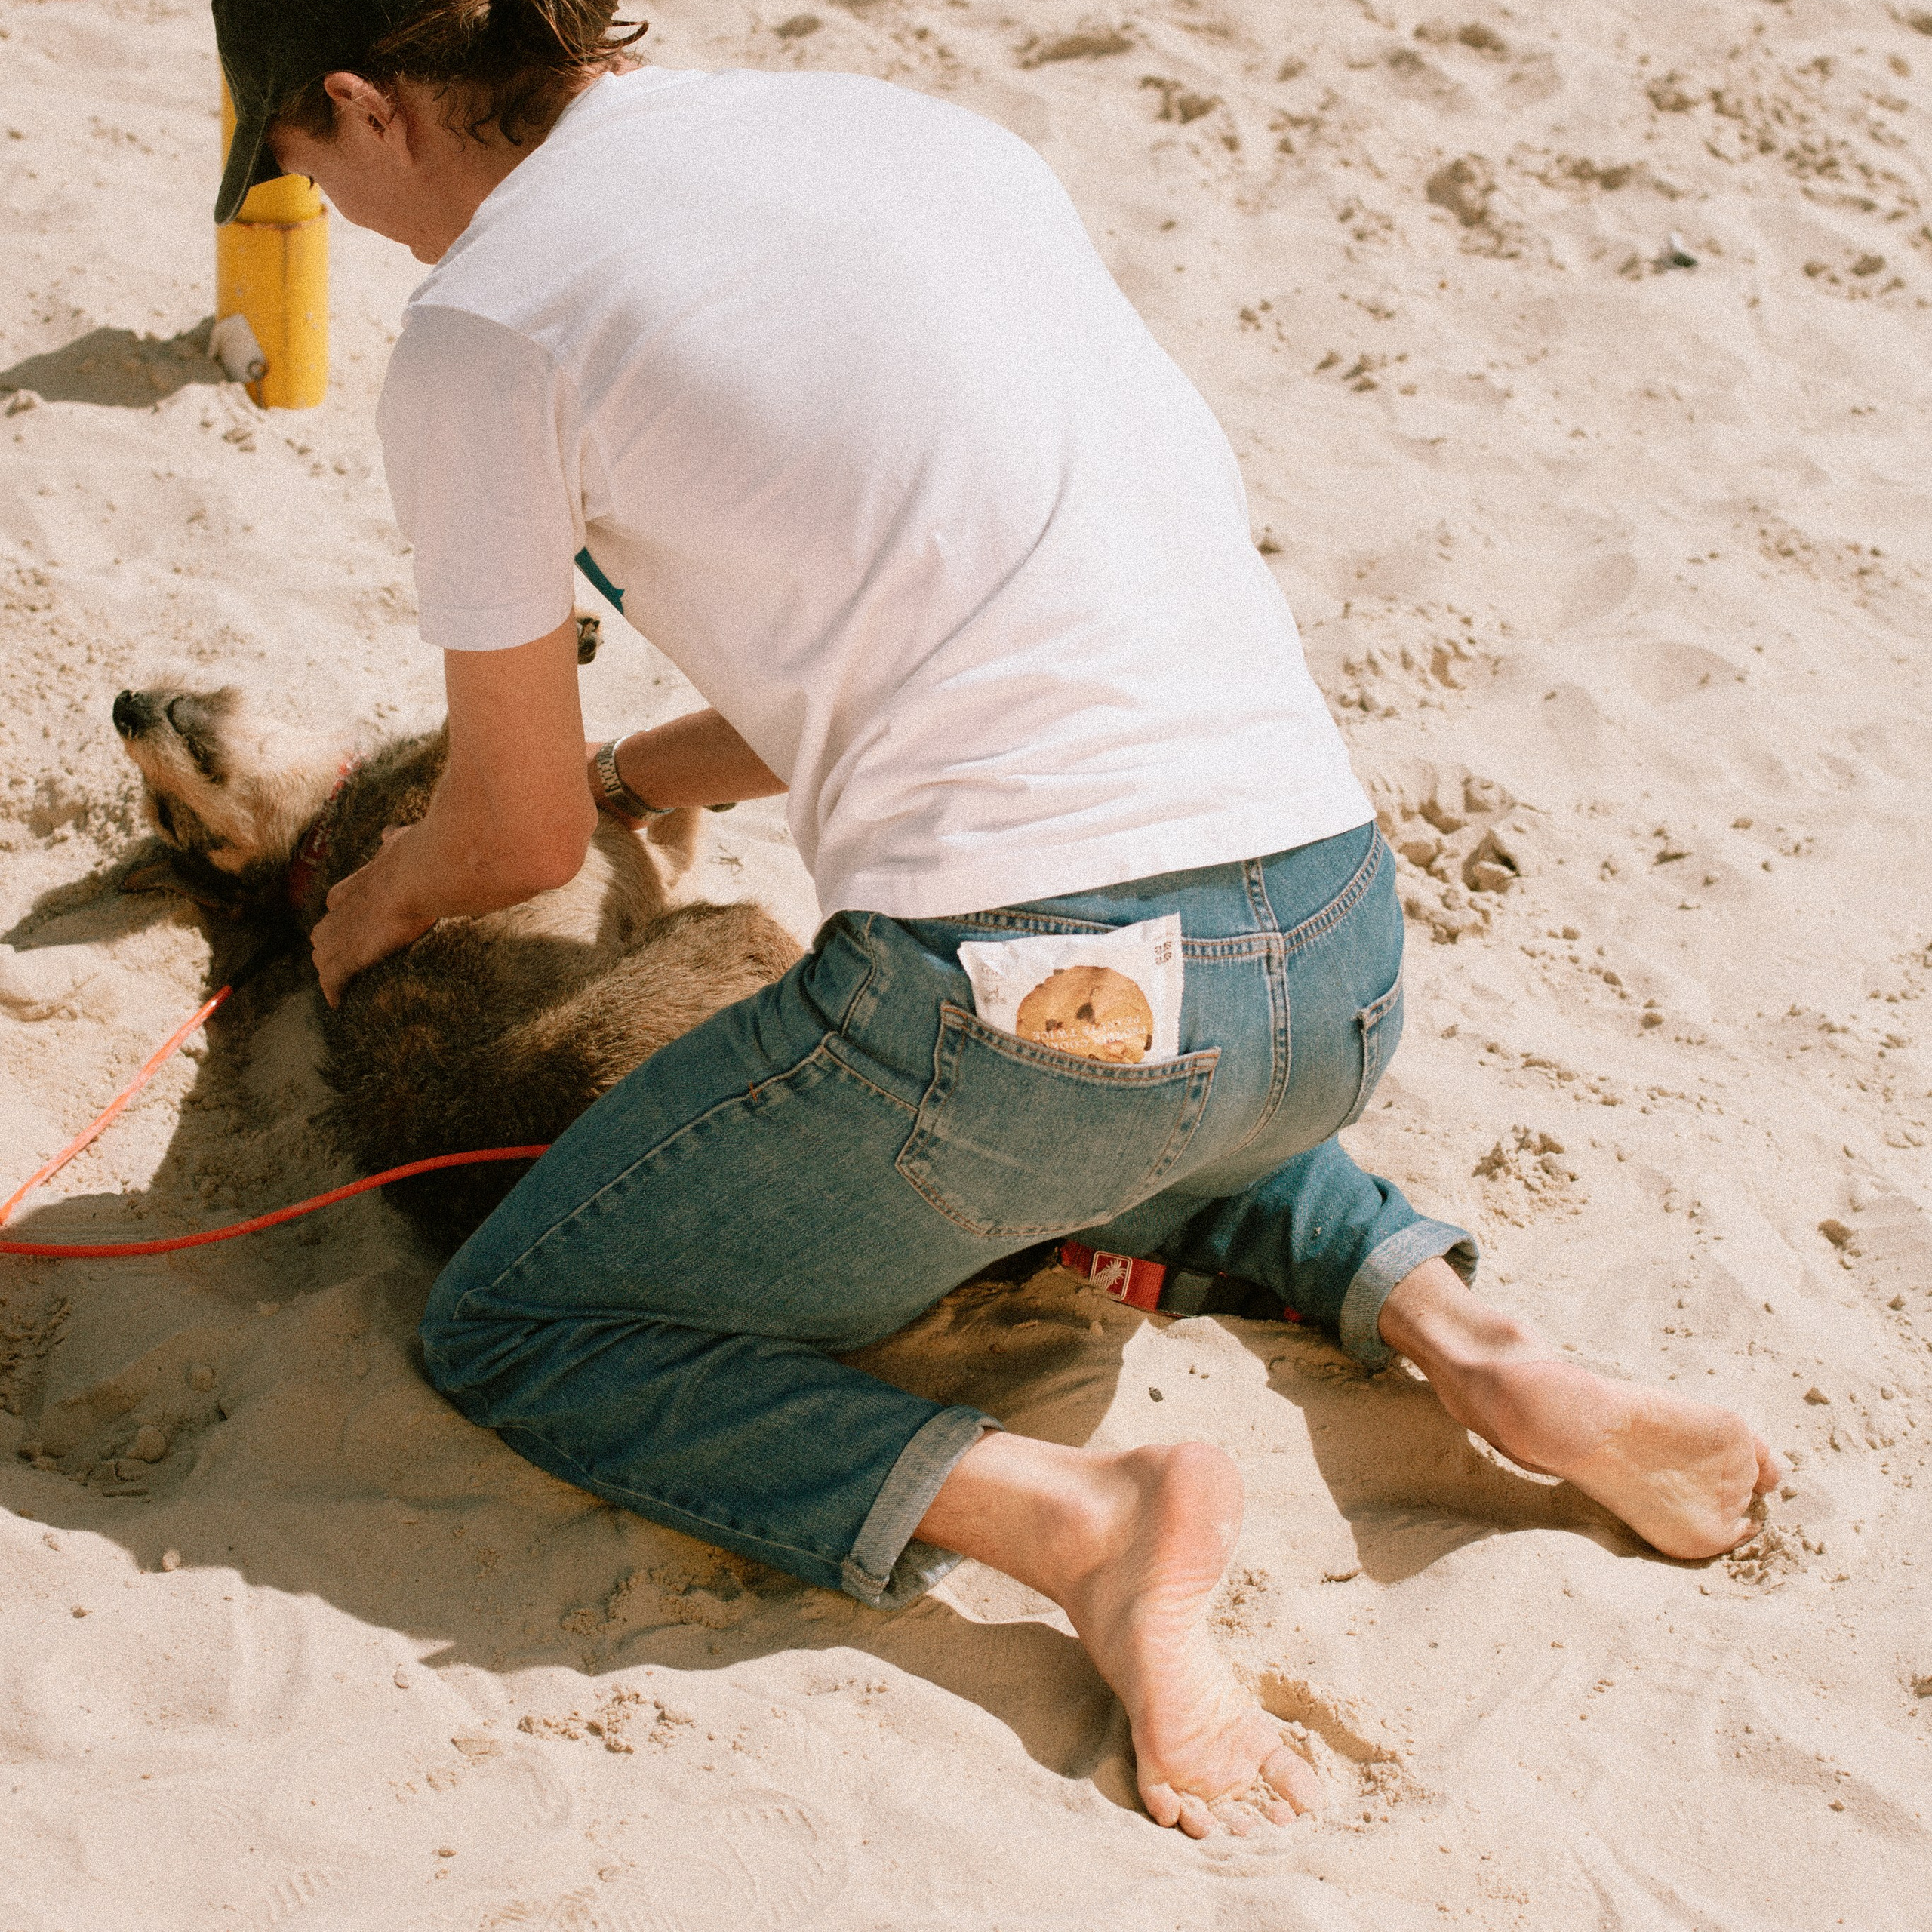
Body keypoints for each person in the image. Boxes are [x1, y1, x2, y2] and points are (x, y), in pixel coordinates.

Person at [215, 0, 1783, 1837]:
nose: (324, 203)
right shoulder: (911, 138)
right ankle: (1471, 1338)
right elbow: (935, 612)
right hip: (1333, 951)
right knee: (1135, 1052)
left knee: (519, 1323)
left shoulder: (485, 324)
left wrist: (375, 897)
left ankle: (1078, 1523)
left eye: (300, 163)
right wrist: (654, 772)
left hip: (1028, 1030)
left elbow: (505, 831)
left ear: (358, 102)